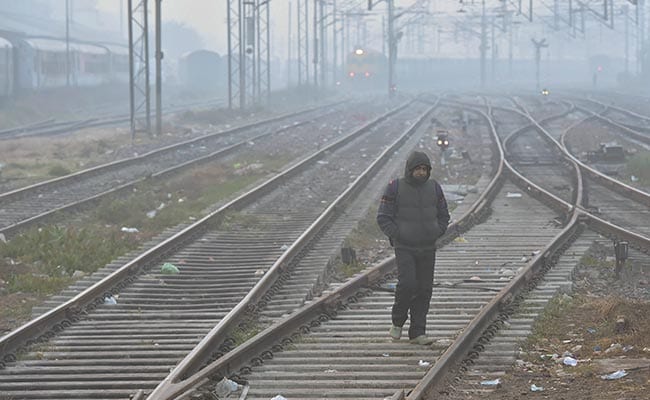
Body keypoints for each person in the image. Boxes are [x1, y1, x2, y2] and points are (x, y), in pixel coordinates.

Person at [377, 151, 450, 345]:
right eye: (418, 168)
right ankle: (398, 322)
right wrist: (398, 234)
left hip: (428, 246)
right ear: (410, 170)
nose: (421, 172)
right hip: (405, 247)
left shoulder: (434, 188)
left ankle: (418, 332)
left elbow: (444, 214)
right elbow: (383, 216)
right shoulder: (395, 187)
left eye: (424, 169)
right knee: (407, 284)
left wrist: (437, 231)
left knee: (424, 289)